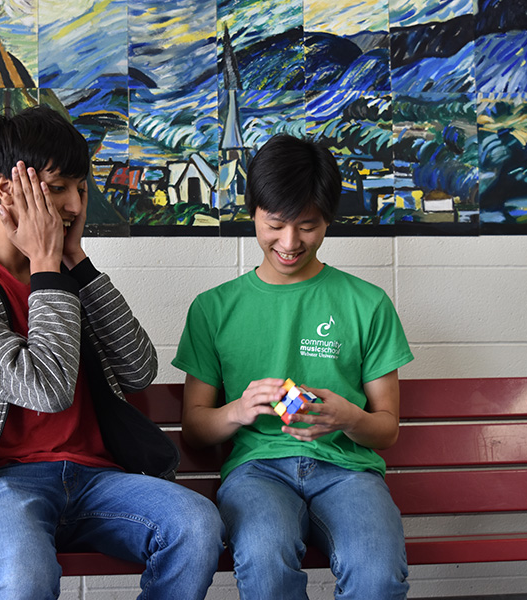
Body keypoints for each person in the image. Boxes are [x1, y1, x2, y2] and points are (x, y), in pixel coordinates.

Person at [0, 105, 223, 599]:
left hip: (98, 479)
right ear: (6, 190)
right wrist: (47, 269)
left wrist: (77, 264)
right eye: (58, 189)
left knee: (196, 524)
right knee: (23, 574)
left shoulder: (68, 274)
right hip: (5, 485)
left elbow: (139, 369)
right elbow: (46, 388)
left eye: (81, 188)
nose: (76, 207)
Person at [173, 134, 413, 599]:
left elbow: (386, 429)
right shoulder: (213, 309)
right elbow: (195, 429)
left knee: (377, 573)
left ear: (328, 221)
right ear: (253, 212)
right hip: (257, 470)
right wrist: (239, 411)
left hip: (349, 470)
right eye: (276, 224)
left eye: (307, 225)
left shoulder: (368, 304)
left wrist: (349, 417)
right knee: (264, 560)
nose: (289, 242)